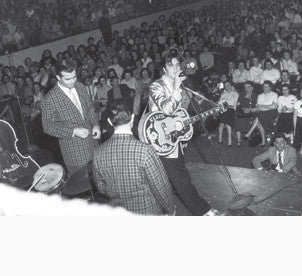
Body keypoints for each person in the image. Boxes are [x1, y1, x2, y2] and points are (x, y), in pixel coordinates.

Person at [147, 55, 221, 216]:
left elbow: (179, 113)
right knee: (181, 177)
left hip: (174, 137)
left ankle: (166, 210)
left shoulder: (180, 86)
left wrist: (184, 134)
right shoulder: (156, 86)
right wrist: (177, 89)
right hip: (160, 137)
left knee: (168, 176)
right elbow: (166, 109)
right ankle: (202, 210)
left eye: (177, 65)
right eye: (172, 66)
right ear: (164, 69)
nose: (176, 68)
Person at [93, 100, 174, 215]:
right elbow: (161, 187)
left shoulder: (98, 153)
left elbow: (101, 188)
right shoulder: (145, 150)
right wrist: (170, 210)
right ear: (132, 118)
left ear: (109, 122)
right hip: (148, 211)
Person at [41, 63, 101, 175]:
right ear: (58, 78)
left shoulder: (80, 86)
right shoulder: (50, 98)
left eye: (74, 77)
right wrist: (73, 131)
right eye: (68, 79)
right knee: (82, 185)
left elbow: (90, 109)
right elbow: (47, 126)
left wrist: (96, 125)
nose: (73, 81)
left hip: (93, 144)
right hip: (74, 150)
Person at [217, 81, 239, 147]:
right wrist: (222, 105)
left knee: (225, 122)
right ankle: (222, 139)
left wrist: (227, 105)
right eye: (226, 86)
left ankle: (227, 139)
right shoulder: (223, 94)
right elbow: (219, 103)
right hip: (223, 109)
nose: (227, 87)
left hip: (230, 110)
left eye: (228, 85)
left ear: (231, 85)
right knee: (222, 123)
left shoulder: (235, 93)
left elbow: (235, 104)